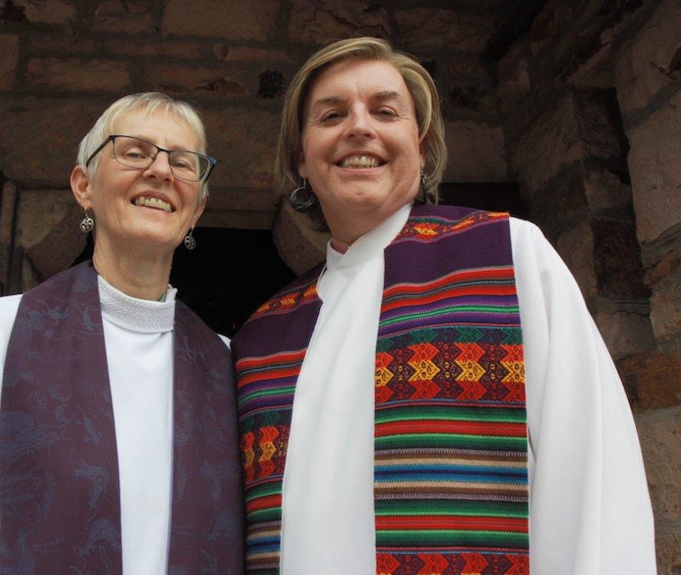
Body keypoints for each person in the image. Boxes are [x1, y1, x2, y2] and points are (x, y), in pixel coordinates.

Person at [231, 37, 655, 575]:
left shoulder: (505, 256)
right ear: (301, 159)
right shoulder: (263, 335)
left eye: (384, 111)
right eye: (331, 115)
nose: (358, 127)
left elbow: (593, 475)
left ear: (422, 146)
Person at [0, 92, 244, 575]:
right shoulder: (2, 332)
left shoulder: (224, 363)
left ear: (197, 209)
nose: (161, 171)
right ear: (83, 185)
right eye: (134, 151)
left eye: (183, 161)